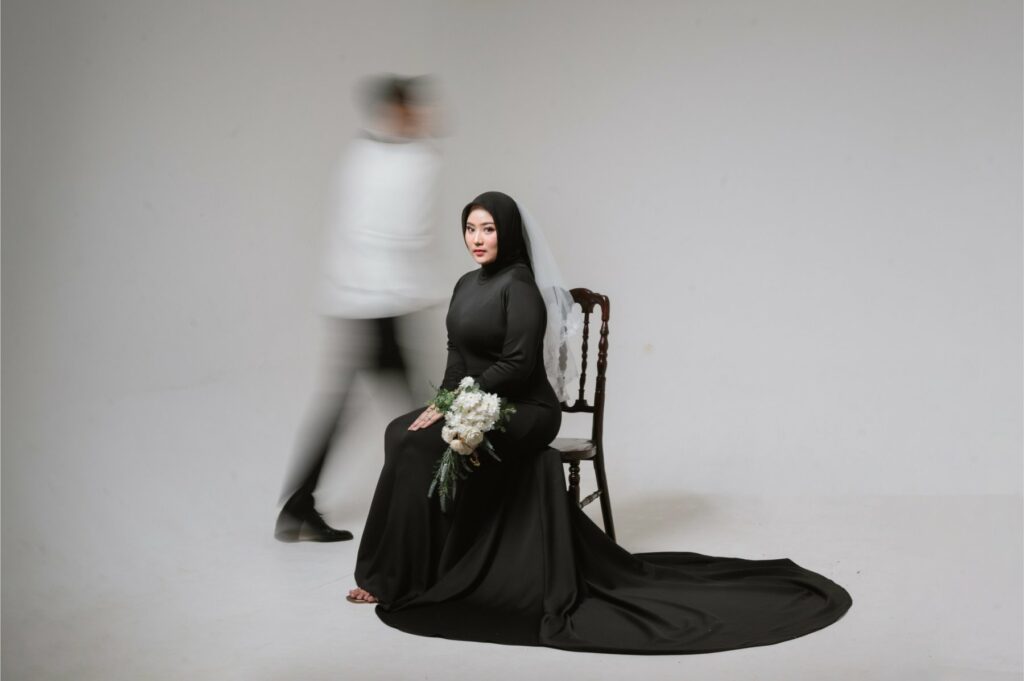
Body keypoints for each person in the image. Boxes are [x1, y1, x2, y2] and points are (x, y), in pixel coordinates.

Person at [347, 191, 852, 653]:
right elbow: (457, 355)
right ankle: (402, 568)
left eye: (489, 229)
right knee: (400, 433)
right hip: (475, 400)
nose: (477, 239)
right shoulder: (464, 285)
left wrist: (463, 400)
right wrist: (444, 399)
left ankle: (399, 578)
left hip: (526, 411)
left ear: (507, 233)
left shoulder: (519, 286)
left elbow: (518, 365)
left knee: (424, 446)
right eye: (470, 229)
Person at [275, 75, 444, 542]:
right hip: (380, 305)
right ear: (398, 111)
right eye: (413, 110)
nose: (421, 117)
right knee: (419, 409)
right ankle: (439, 509)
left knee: (381, 406)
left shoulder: (360, 156)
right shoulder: (410, 160)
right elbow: (407, 233)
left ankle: (299, 505)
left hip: (362, 302)